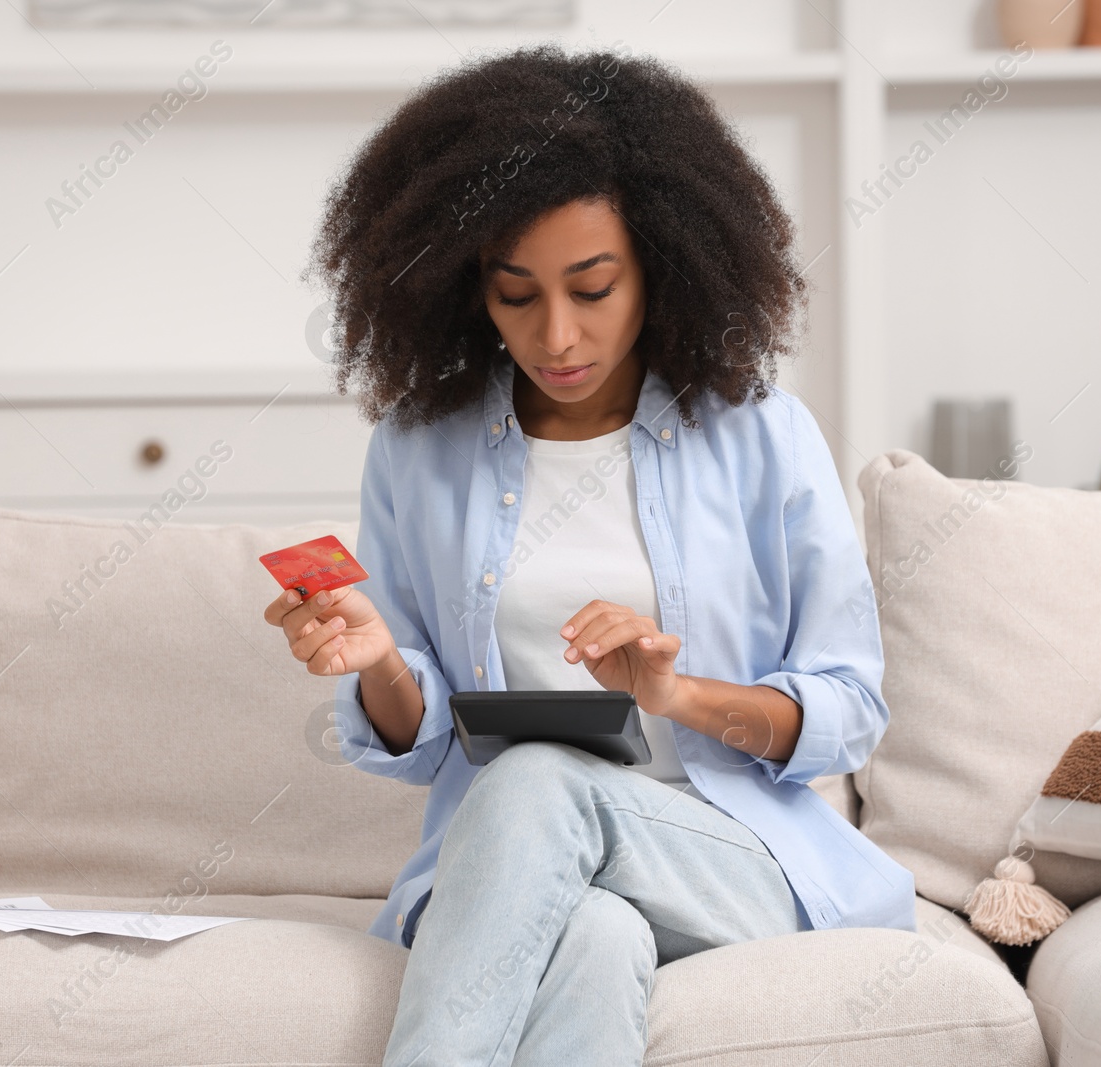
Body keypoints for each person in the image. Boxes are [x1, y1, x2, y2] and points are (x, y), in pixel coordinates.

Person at [264, 42, 916, 1067]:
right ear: (462, 283)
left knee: (530, 777)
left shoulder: (761, 433)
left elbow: (848, 710)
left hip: (727, 856)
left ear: (663, 264)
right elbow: (426, 740)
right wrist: (381, 659)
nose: (555, 333)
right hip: (511, 872)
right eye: (514, 293)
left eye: (593, 286)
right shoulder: (418, 448)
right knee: (596, 935)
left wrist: (678, 694)